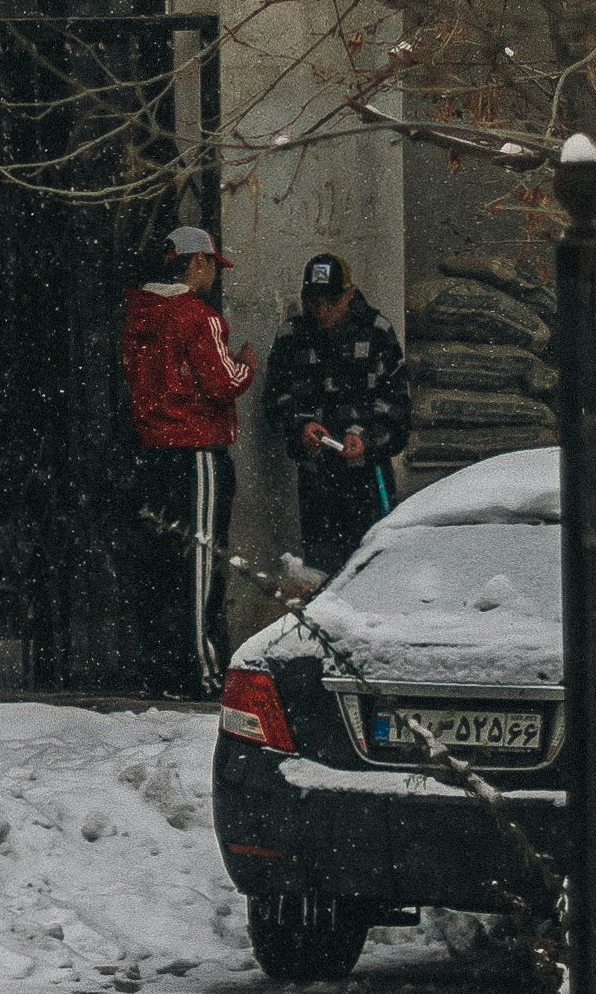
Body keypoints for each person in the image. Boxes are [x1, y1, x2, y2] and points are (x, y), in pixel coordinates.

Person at [120, 221, 256, 697]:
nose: (213, 275)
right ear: (196, 262)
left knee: (160, 565)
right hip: (197, 451)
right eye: (212, 265)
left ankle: (160, 670)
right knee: (201, 561)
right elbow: (223, 381)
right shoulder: (198, 317)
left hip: (153, 452)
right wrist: (248, 363)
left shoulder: (138, 313)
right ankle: (203, 672)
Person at [263, 250, 411, 578]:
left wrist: (365, 438)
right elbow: (275, 400)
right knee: (321, 574)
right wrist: (301, 426)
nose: (322, 311)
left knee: (374, 568)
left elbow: (398, 406)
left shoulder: (377, 332)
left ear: (350, 295)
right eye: (314, 302)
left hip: (367, 476)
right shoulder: (292, 335)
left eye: (331, 301)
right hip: (316, 478)